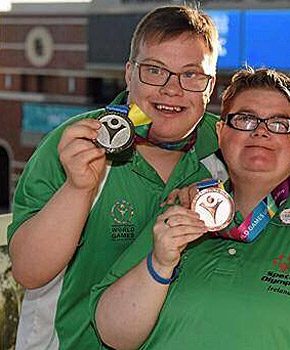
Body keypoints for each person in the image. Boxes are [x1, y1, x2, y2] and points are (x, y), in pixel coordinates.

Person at [90, 67, 290, 350]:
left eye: (280, 124)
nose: (261, 132)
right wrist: (160, 263)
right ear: (221, 133)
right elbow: (112, 334)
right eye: (245, 119)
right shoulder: (179, 209)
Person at [7, 6, 221, 349]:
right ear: (128, 73)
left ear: (210, 86)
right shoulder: (77, 144)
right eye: (155, 70)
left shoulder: (230, 149)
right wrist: (79, 188)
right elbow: (29, 271)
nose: (171, 89)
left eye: (191, 75)